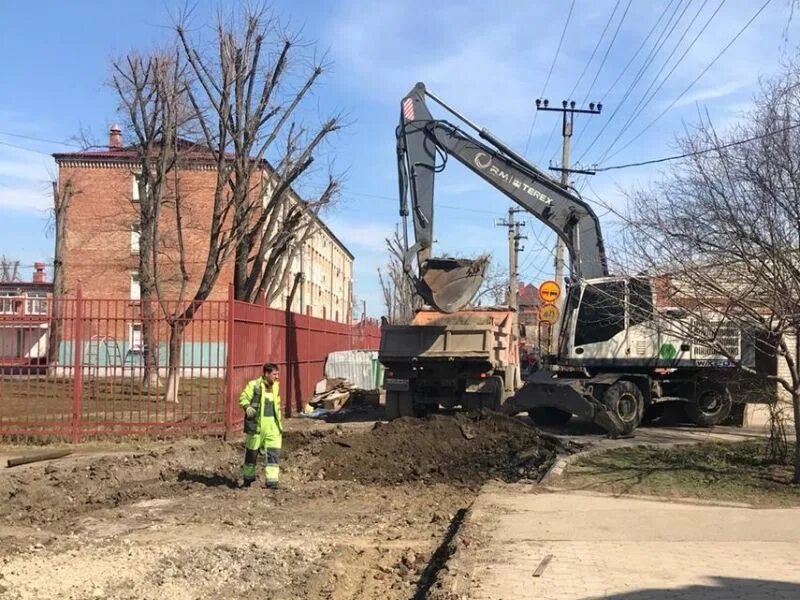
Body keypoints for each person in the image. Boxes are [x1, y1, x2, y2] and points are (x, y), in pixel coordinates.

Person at [239, 362, 282, 489]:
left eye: (278, 374)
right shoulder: (254, 385)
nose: (277, 377)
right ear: (266, 374)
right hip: (257, 426)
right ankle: (248, 479)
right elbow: (243, 398)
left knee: (273, 454)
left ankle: (272, 482)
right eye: (274, 374)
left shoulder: (276, 387)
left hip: (272, 426)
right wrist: (247, 407)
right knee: (252, 453)